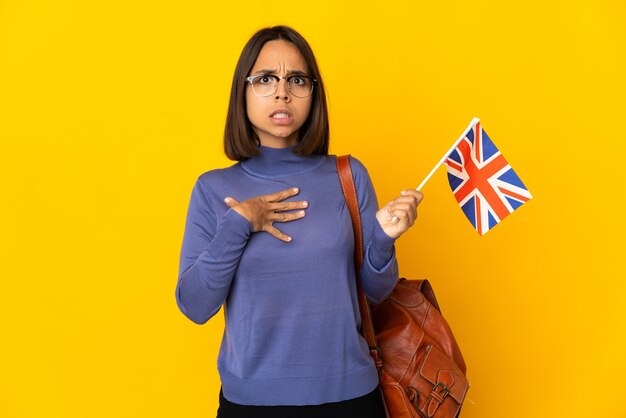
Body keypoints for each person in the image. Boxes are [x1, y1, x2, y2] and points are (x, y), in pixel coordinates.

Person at [175, 25, 424, 418]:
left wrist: (383, 239)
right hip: (250, 404)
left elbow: (376, 293)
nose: (282, 91)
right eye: (265, 79)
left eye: (296, 79)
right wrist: (238, 222)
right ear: (242, 91)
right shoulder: (213, 188)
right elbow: (194, 305)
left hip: (351, 399)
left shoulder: (348, 175)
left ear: (313, 92)